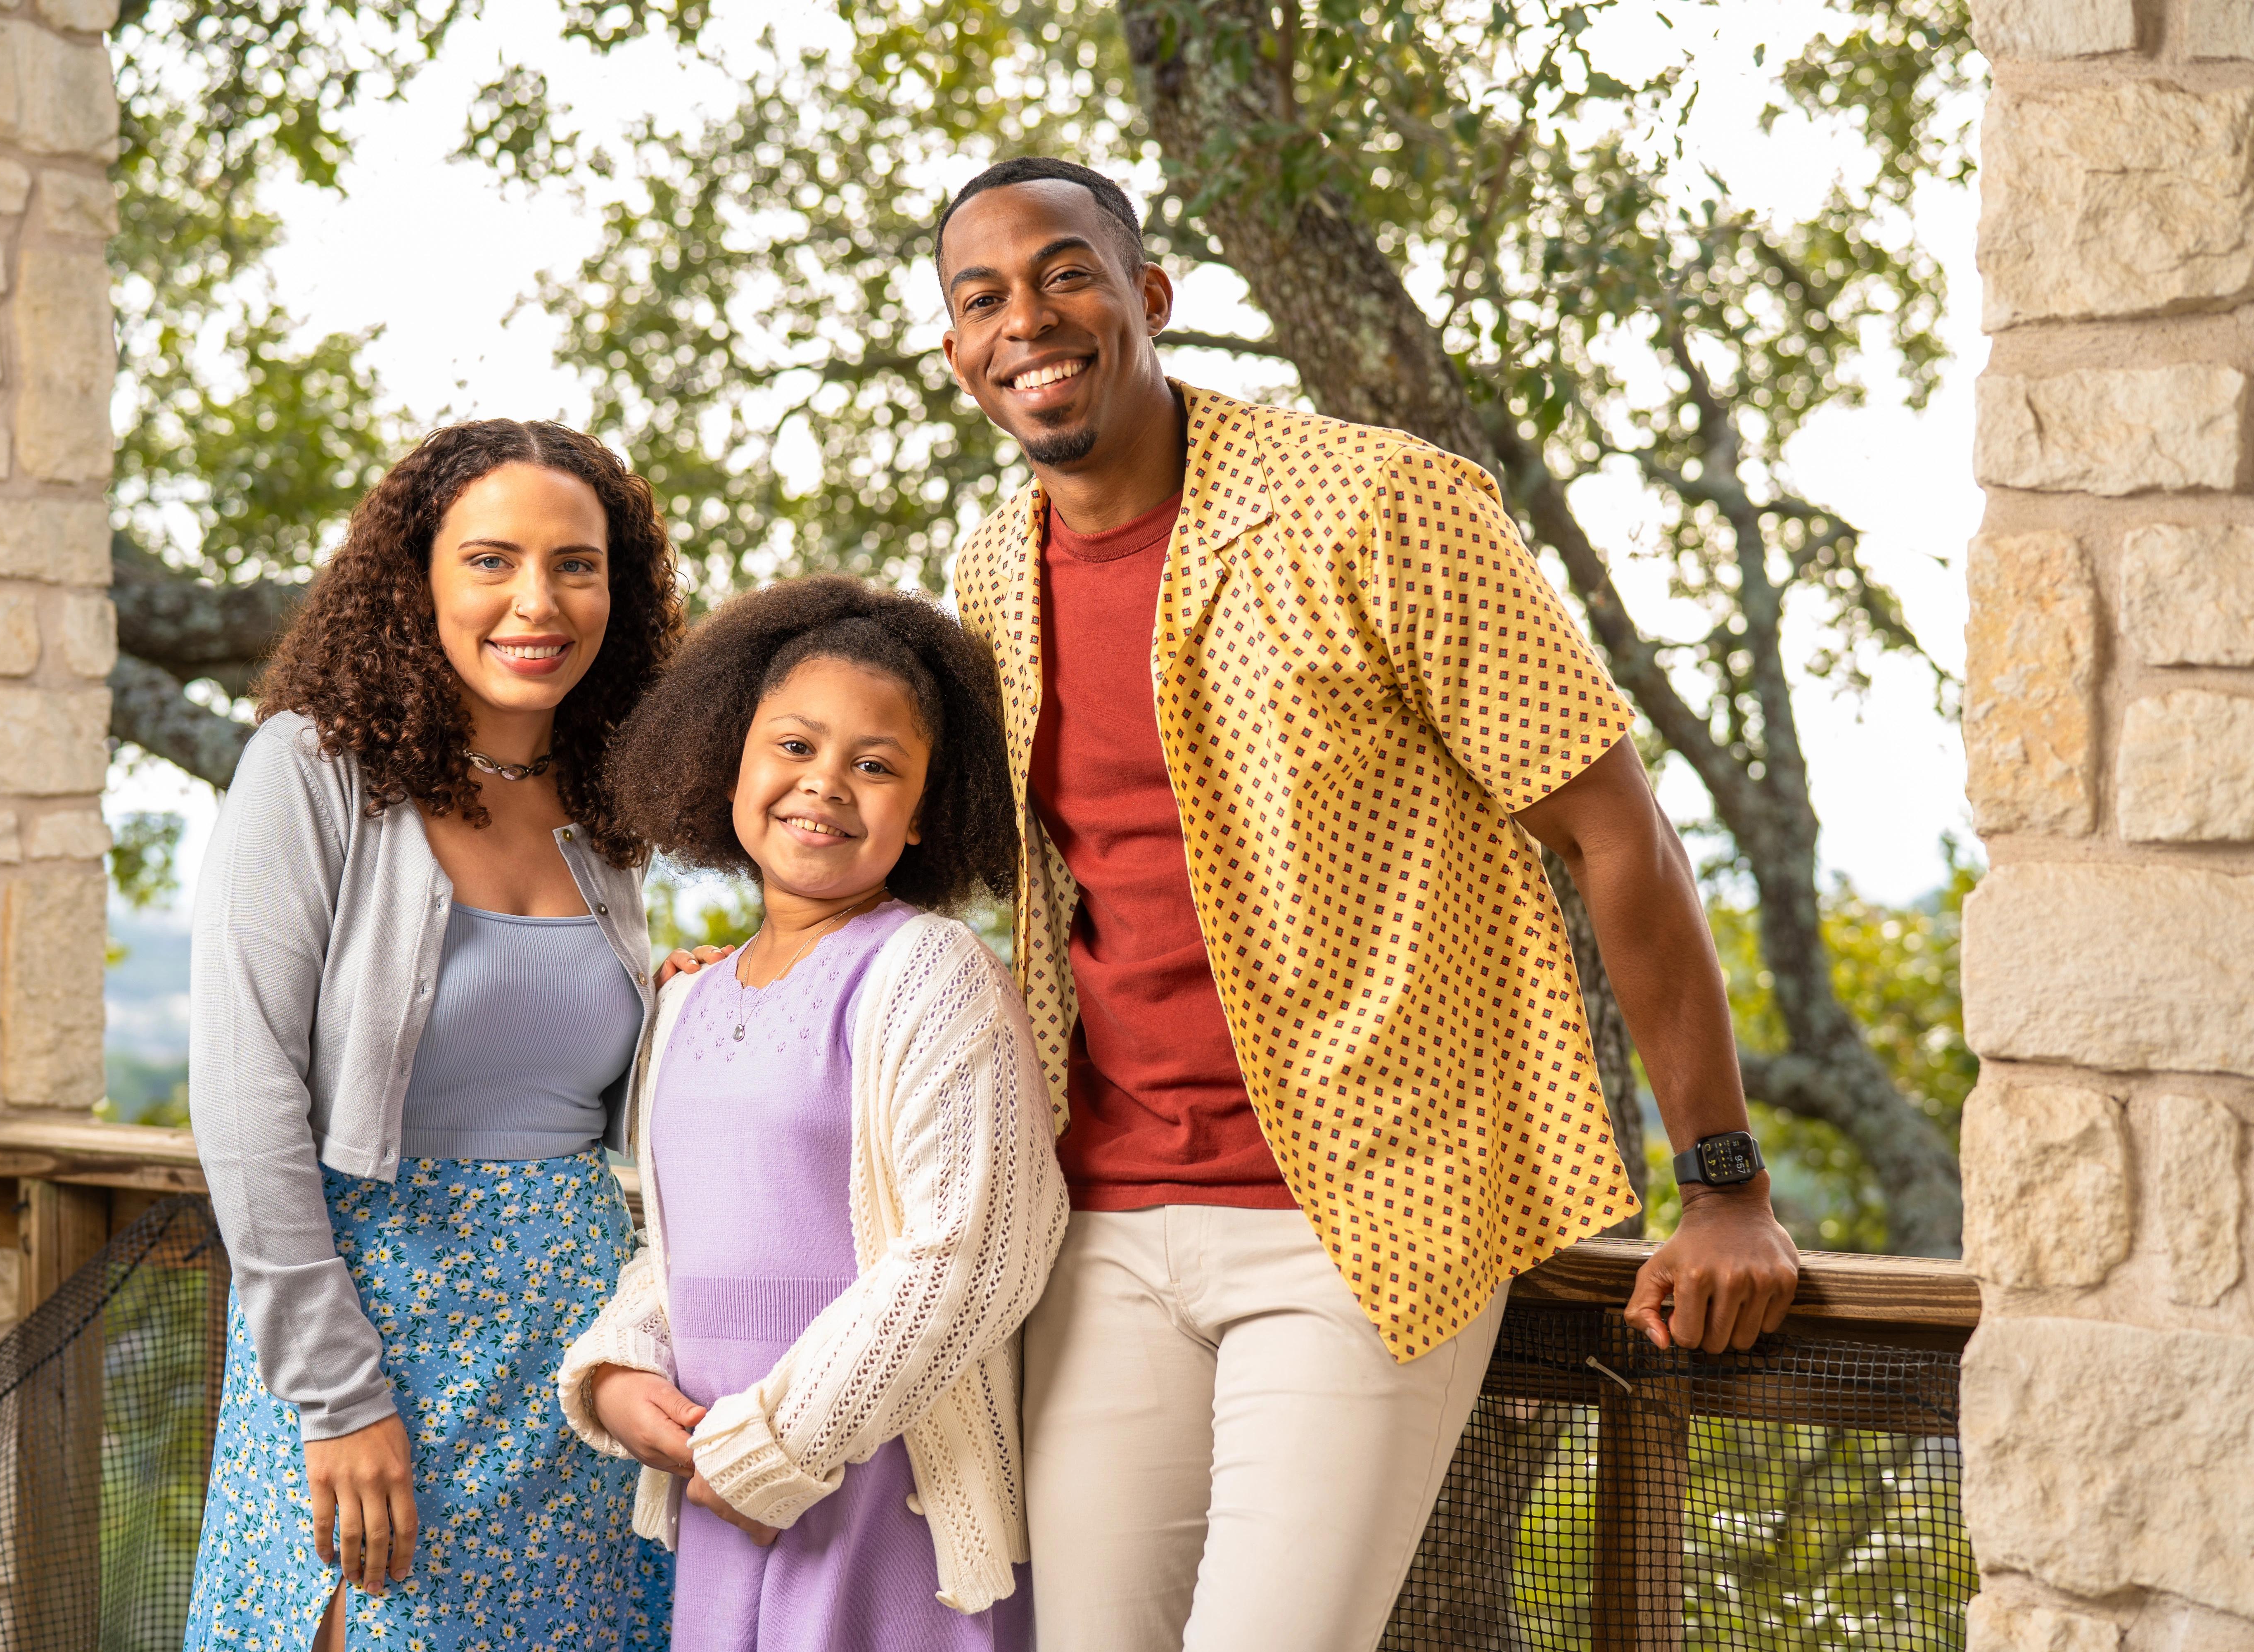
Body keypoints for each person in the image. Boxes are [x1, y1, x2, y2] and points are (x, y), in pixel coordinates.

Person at [935, 157, 1805, 1652]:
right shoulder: (989, 568)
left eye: (1066, 272)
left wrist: (1724, 1186)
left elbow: (1618, 833)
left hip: (1360, 1217)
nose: (1030, 318)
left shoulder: (1382, 503)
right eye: (983, 298)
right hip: (1098, 1230)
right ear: (958, 353)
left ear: (1146, 297)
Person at [184, 420, 714, 1652]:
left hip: (567, 1359)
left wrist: (693, 1012)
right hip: (367, 1335)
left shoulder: (609, 804)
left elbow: (582, 1086)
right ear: (417, 578)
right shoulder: (312, 769)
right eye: (492, 561)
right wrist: (334, 1397)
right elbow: (246, 1100)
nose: (539, 600)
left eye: (577, 565)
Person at [555, 575, 1066, 1652]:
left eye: (875, 765)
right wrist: (617, 1371)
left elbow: (972, 1254)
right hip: (720, 1495)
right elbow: (680, 1250)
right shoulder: (688, 999)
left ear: (927, 810)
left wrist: (776, 1449)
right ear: (731, 756)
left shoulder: (934, 973)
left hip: (880, 1485)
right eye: (793, 746)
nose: (825, 783)